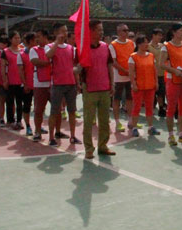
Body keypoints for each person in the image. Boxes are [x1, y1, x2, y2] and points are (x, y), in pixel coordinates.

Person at [79, 20, 114, 159]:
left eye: (102, 30)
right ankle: (88, 148)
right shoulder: (83, 48)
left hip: (104, 88)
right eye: (99, 29)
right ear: (91, 31)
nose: (101, 32)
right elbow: (78, 67)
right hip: (90, 88)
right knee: (89, 120)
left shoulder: (105, 47)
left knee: (105, 120)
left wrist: (112, 84)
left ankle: (103, 146)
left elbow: (109, 66)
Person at [160, 23, 182, 146]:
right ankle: (171, 135)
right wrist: (174, 71)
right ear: (173, 32)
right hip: (173, 81)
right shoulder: (166, 46)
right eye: (181, 30)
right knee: (171, 108)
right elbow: (161, 64)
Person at [47, 24, 80, 146]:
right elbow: (48, 56)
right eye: (62, 31)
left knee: (72, 111)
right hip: (57, 84)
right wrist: (57, 42)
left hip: (70, 84)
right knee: (54, 111)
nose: (65, 33)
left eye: (66, 31)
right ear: (56, 32)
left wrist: (77, 81)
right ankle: (51, 137)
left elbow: (75, 65)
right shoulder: (50, 46)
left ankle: (73, 136)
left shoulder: (71, 48)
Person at [128, 34, 160, 137]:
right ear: (138, 44)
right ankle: (134, 128)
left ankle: (151, 127)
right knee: (137, 107)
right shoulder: (133, 57)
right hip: (138, 87)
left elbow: (154, 70)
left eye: (147, 42)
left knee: (150, 107)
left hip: (150, 86)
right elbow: (131, 72)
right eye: (144, 42)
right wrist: (133, 84)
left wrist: (156, 82)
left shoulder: (151, 56)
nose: (146, 44)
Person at [109, 24, 135, 133]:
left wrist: (132, 72)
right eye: (124, 30)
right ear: (119, 32)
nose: (127, 32)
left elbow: (134, 58)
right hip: (118, 77)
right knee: (116, 100)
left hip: (130, 77)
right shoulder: (113, 45)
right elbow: (113, 62)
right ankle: (117, 122)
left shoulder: (131, 43)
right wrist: (125, 71)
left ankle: (130, 120)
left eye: (127, 30)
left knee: (130, 99)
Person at [29, 29, 51, 142]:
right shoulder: (34, 49)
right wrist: (49, 62)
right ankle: (37, 131)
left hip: (53, 83)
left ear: (45, 37)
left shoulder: (52, 48)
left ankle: (56, 132)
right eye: (36, 37)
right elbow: (35, 61)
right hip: (39, 84)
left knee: (56, 109)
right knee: (38, 110)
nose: (36, 39)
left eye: (39, 36)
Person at [148, 28, 167, 118]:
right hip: (151, 74)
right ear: (153, 35)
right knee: (151, 93)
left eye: (161, 35)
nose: (160, 37)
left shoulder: (163, 46)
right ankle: (150, 109)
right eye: (158, 35)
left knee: (161, 92)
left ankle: (161, 108)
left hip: (161, 73)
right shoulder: (148, 47)